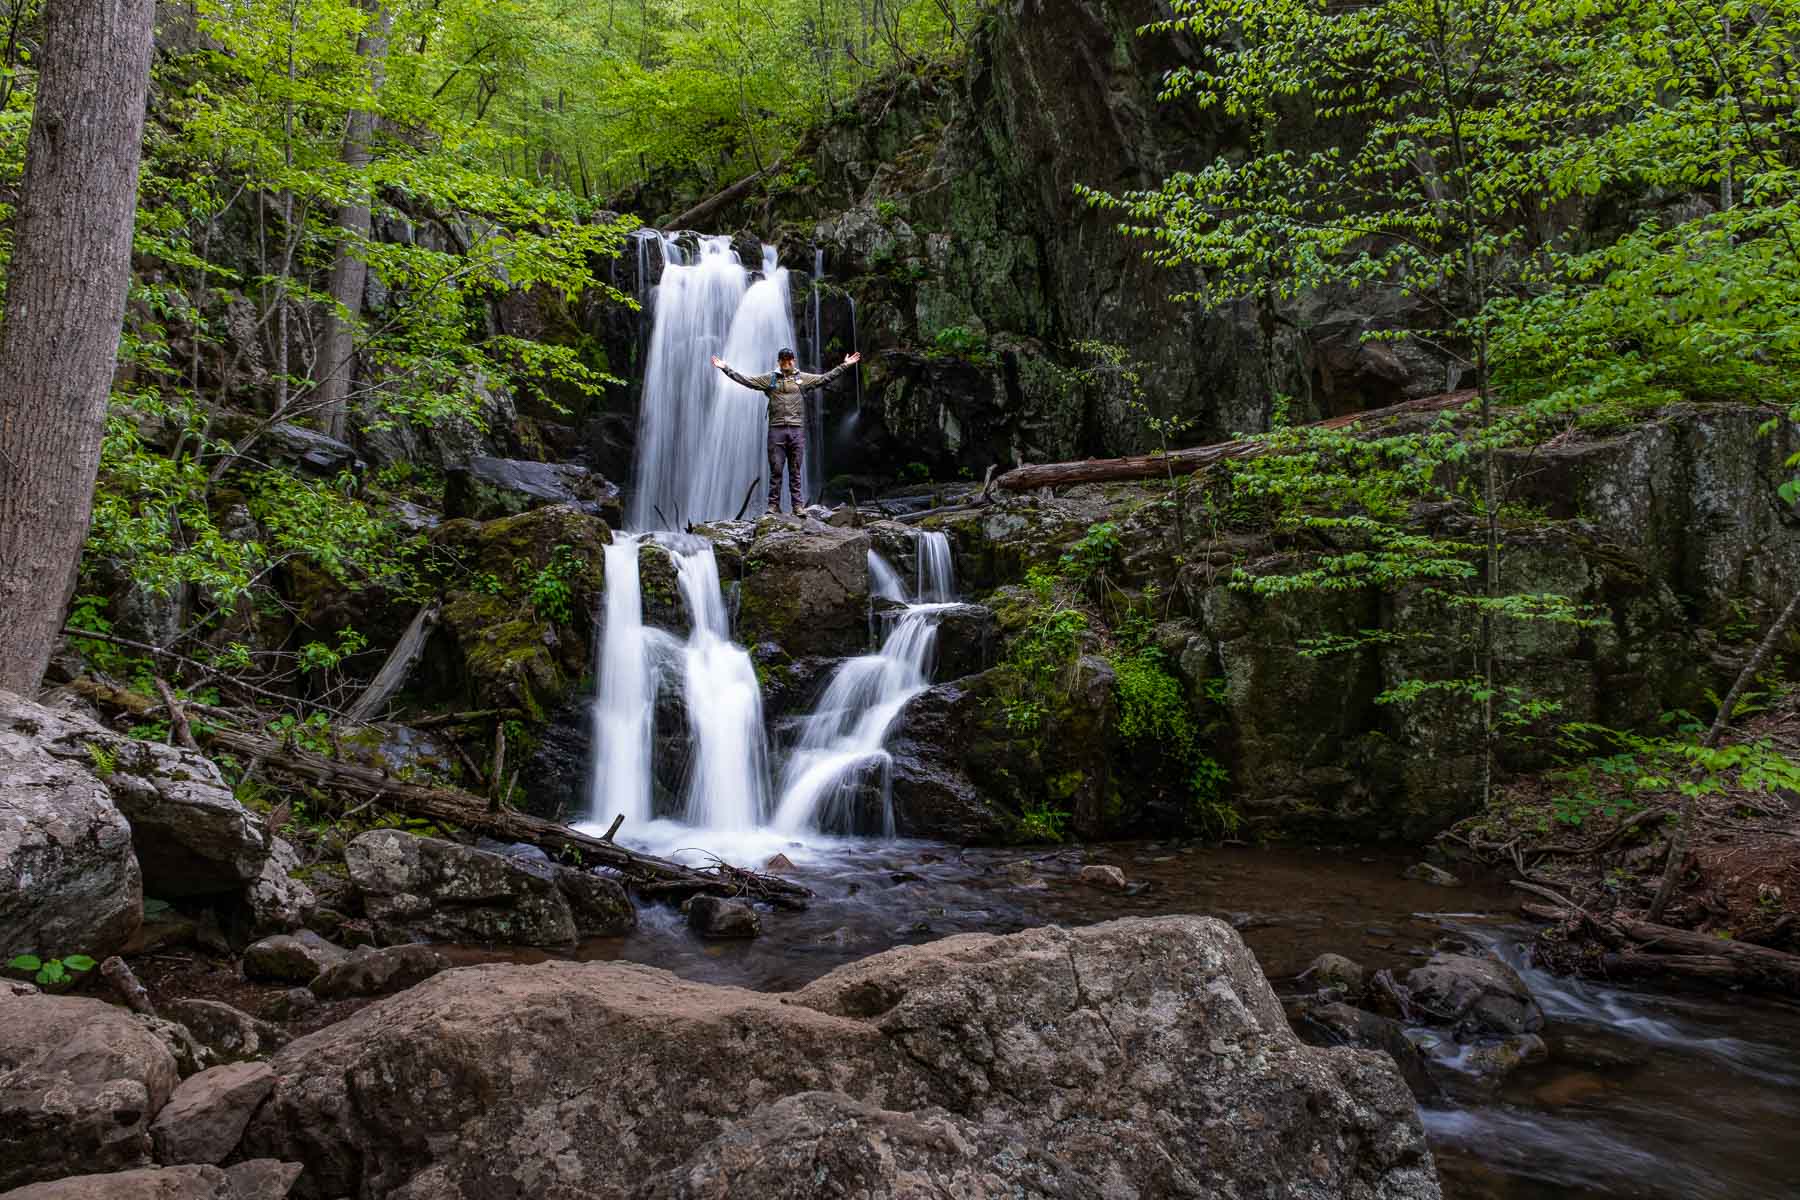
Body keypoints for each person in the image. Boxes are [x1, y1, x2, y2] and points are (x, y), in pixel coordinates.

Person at [711, 346, 862, 514]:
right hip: (776, 430)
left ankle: (797, 506)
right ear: (779, 362)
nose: (787, 362)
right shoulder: (770, 379)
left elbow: (825, 378)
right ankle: (773, 505)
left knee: (795, 469)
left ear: (793, 360)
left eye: (789, 359)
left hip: (796, 429)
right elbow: (747, 381)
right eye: (783, 359)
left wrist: (845, 365)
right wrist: (726, 369)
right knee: (776, 469)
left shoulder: (802, 378)